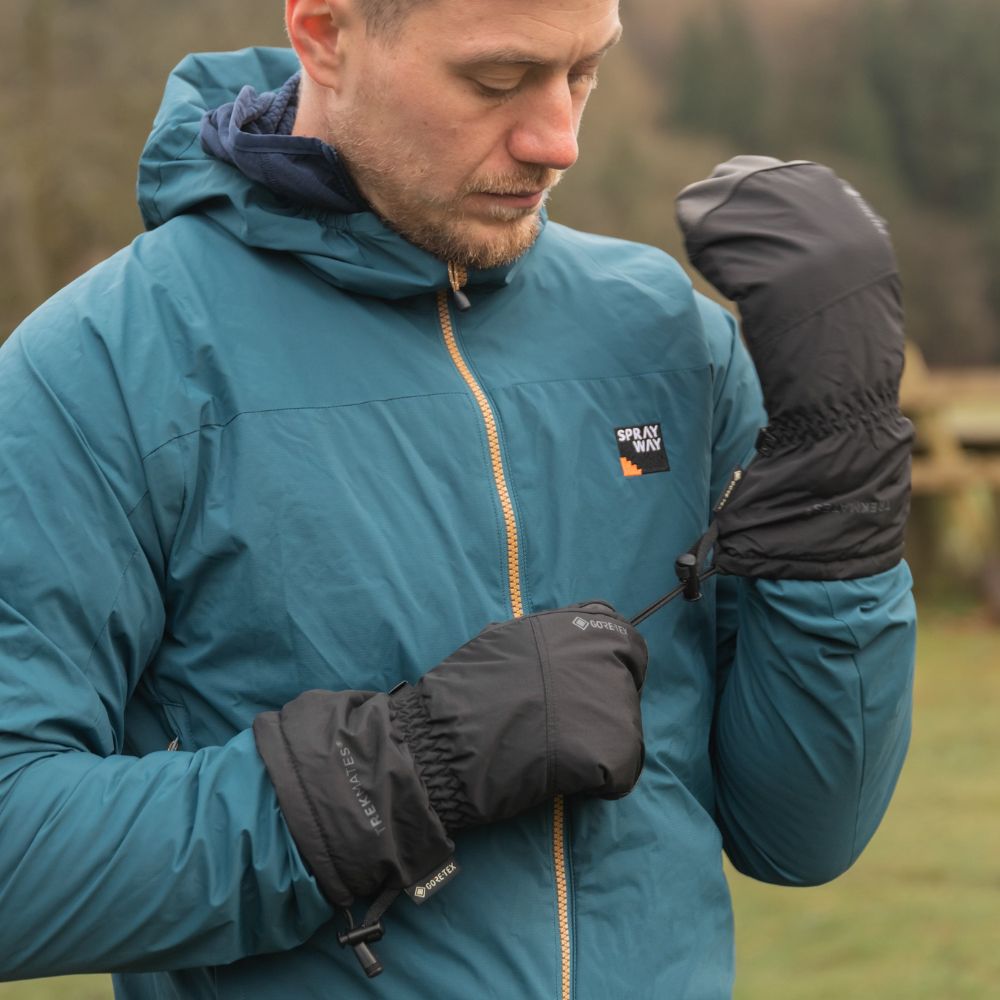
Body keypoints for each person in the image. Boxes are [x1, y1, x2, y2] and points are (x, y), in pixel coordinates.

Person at [0, 0, 916, 997]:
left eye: (583, 72)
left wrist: (843, 465)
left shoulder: (668, 337)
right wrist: (404, 770)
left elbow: (804, 830)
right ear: (324, 36)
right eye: (494, 81)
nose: (556, 139)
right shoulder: (99, 368)